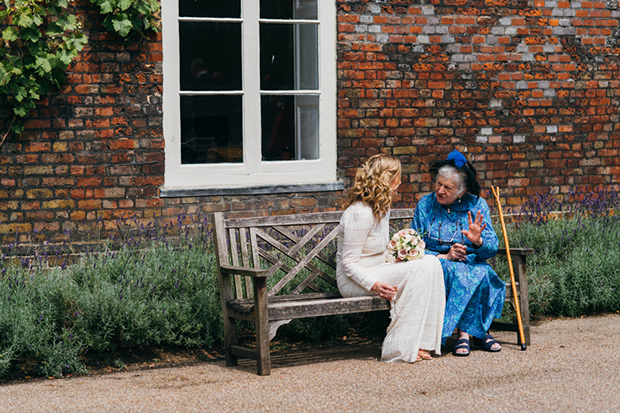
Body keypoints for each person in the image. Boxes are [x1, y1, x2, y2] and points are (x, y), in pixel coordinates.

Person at [337, 154, 446, 362]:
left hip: (377, 269)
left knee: (432, 262)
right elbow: (349, 264)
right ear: (386, 179)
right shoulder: (360, 213)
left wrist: (397, 258)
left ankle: (423, 342)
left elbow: (377, 251)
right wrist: (375, 285)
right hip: (354, 280)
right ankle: (399, 347)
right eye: (398, 177)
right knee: (420, 269)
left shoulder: (381, 208)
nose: (400, 183)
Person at [412, 149, 504, 357]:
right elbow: (413, 245)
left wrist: (477, 241)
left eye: (448, 187)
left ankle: (471, 333)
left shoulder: (477, 205)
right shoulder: (426, 205)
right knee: (459, 273)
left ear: (462, 191)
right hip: (437, 263)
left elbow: (491, 247)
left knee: (481, 273)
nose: (441, 191)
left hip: (471, 262)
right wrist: (443, 256)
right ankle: (473, 334)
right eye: (439, 184)